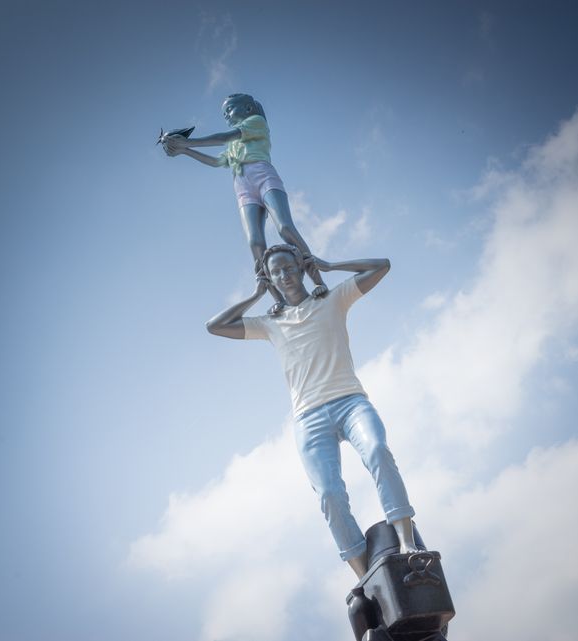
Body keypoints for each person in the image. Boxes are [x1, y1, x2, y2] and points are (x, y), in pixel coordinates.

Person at [205, 244, 419, 578]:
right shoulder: (269, 323)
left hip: (351, 402)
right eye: (276, 272)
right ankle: (365, 577)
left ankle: (408, 542)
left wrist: (329, 266)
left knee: (378, 451)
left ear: (301, 268)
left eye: (289, 268)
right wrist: (256, 293)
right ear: (270, 278)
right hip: (309, 419)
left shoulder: (332, 299)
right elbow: (215, 326)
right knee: (330, 495)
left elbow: (382, 265)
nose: (284, 276)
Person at [163, 93, 327, 314]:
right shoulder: (233, 146)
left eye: (230, 110)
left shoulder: (256, 123)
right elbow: (215, 161)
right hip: (242, 189)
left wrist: (188, 141)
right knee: (255, 242)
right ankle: (277, 298)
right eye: (224, 114)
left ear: (248, 108)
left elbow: (225, 137)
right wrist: (184, 150)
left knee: (285, 227)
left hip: (263, 177)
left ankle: (317, 281)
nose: (227, 116)